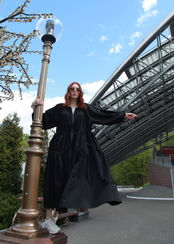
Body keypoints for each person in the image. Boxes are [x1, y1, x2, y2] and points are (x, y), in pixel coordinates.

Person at [32, 82, 137, 234]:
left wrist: (123, 115)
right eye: (72, 89)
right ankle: (48, 219)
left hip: (80, 150)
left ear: (80, 93)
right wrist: (35, 105)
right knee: (55, 181)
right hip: (59, 150)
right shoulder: (60, 108)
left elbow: (103, 115)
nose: (75, 91)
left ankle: (58, 215)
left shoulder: (86, 109)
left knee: (79, 179)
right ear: (68, 91)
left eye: (77, 89)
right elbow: (41, 121)